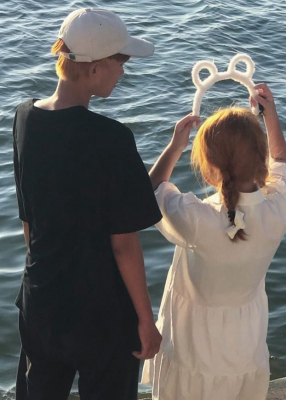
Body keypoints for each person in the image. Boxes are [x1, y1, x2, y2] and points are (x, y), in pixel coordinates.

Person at [12, 8, 162, 400]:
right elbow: (123, 244)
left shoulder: (24, 118)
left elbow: (29, 220)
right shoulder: (113, 138)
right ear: (94, 68)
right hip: (102, 314)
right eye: (120, 61)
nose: (123, 71)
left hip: (41, 299)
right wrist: (146, 321)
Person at [141, 83, 286, 400]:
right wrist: (270, 114)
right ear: (261, 160)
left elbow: (149, 193)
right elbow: (281, 161)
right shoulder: (278, 209)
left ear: (209, 169)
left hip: (193, 346)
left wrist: (175, 146)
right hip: (244, 343)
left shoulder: (195, 218)